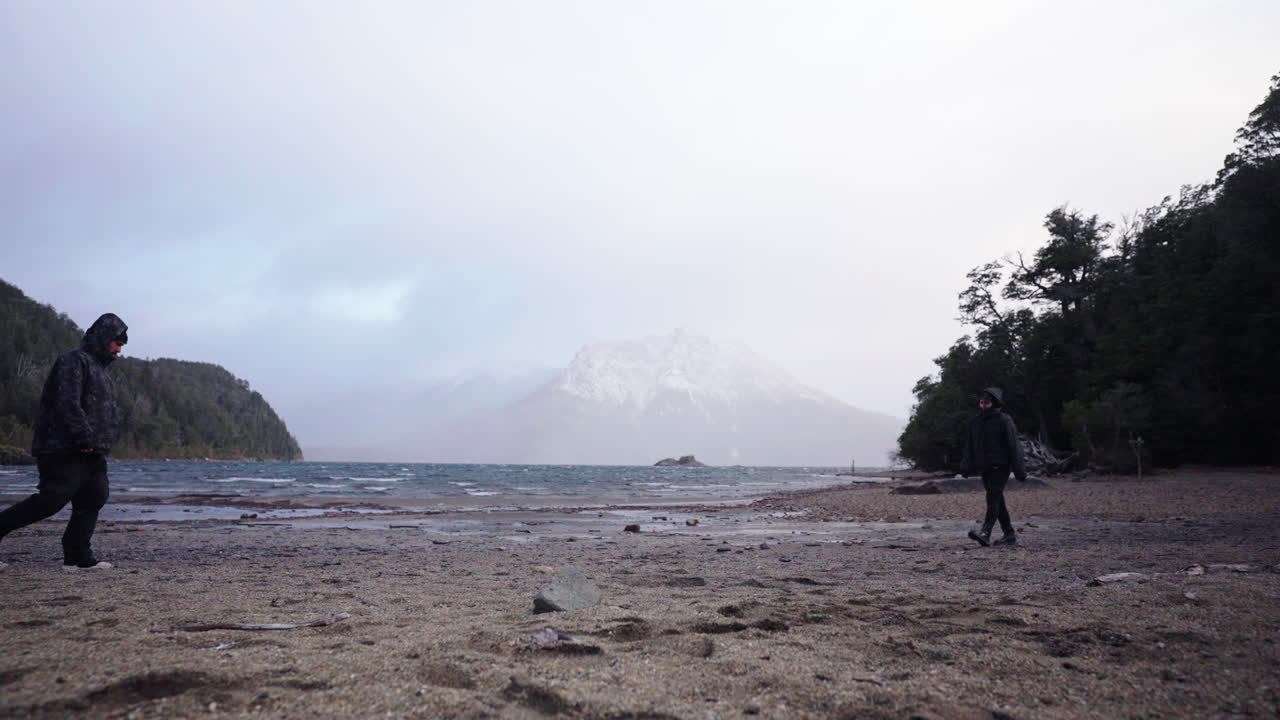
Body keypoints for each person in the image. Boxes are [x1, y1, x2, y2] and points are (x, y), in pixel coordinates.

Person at [0, 313, 128, 571]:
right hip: (63, 447)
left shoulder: (100, 369)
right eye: (117, 341)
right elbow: (66, 402)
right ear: (103, 338)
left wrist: (99, 442)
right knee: (51, 500)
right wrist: (83, 436)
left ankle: (77, 557)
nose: (119, 347)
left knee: (94, 496)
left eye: (122, 343)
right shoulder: (72, 361)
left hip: (92, 450)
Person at [960, 386, 1026, 547]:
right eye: (981, 402)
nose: (983, 405)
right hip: (985, 467)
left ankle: (985, 533)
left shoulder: (1004, 420)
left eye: (987, 403)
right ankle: (1009, 534)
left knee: (992, 497)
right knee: (997, 500)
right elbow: (969, 446)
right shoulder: (974, 423)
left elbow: (1013, 445)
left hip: (1001, 466)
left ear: (994, 403)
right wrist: (966, 466)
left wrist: (1019, 470)